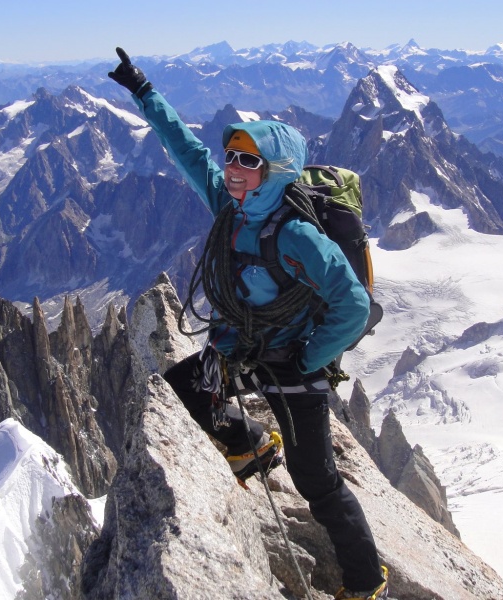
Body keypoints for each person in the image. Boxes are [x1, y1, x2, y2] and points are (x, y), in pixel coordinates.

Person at [109, 47, 388, 600]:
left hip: (290, 362)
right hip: (242, 348)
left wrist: (310, 359)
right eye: (231, 157)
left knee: (317, 482)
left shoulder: (295, 235)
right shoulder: (230, 207)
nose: (232, 170)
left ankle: (366, 578)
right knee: (177, 395)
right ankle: (248, 442)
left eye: (246, 161)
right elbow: (186, 150)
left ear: (275, 170)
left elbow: (354, 306)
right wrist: (143, 90)